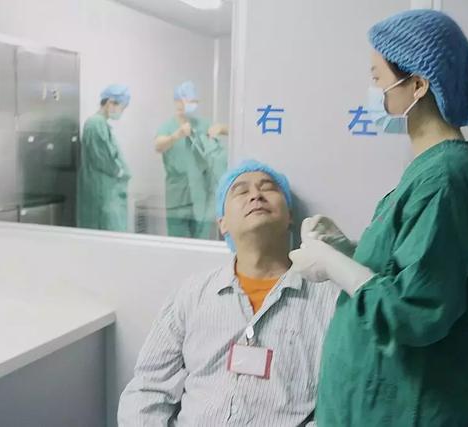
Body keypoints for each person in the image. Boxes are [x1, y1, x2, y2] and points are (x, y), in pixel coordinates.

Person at [289, 9, 468, 426]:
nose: (373, 91)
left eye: (378, 78)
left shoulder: (444, 180)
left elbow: (416, 310)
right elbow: (403, 270)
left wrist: (332, 265)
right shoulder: (429, 171)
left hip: (404, 410)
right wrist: (343, 249)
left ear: (418, 85)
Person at [118, 160, 339, 426]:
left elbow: (337, 409)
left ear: (290, 216)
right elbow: (147, 389)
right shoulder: (191, 296)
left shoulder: (331, 301)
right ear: (222, 223)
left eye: (268, 188)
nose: (255, 195)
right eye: (241, 191)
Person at [154, 81, 228, 240]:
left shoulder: (201, 124)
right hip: (178, 195)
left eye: (194, 101)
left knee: (201, 239)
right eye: (188, 101)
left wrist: (221, 128)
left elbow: (233, 130)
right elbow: (158, 146)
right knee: (177, 241)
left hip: (201, 193)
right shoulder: (168, 127)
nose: (191, 105)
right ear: (177, 102)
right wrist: (176, 135)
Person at [77, 84, 132, 232]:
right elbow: (103, 158)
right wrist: (120, 172)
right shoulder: (95, 124)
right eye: (122, 107)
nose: (121, 112)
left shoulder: (101, 124)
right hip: (103, 195)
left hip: (107, 194)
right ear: (110, 102)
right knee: (108, 235)